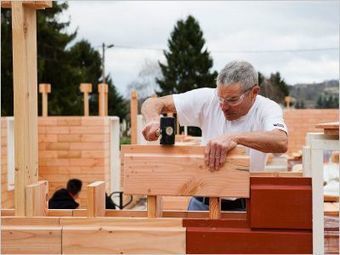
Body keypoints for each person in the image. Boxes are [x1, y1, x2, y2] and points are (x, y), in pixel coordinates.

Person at [141, 60, 288, 211]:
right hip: (202, 202)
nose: (223, 106)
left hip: (245, 206)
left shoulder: (267, 108)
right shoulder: (207, 98)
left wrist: (234, 137)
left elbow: (281, 141)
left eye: (232, 100)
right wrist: (153, 119)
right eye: (220, 98)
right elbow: (152, 103)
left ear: (254, 93)